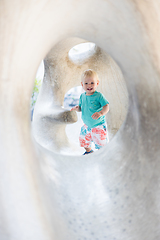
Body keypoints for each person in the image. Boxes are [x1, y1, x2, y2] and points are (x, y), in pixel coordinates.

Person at [71, 69, 109, 155]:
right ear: (82, 84)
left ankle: (102, 154)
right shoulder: (82, 96)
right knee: (83, 140)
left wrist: (101, 113)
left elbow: (106, 106)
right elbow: (81, 108)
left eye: (92, 83)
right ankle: (89, 152)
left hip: (98, 126)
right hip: (87, 125)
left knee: (101, 144)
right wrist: (77, 108)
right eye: (86, 83)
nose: (89, 85)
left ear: (97, 83)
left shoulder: (99, 96)